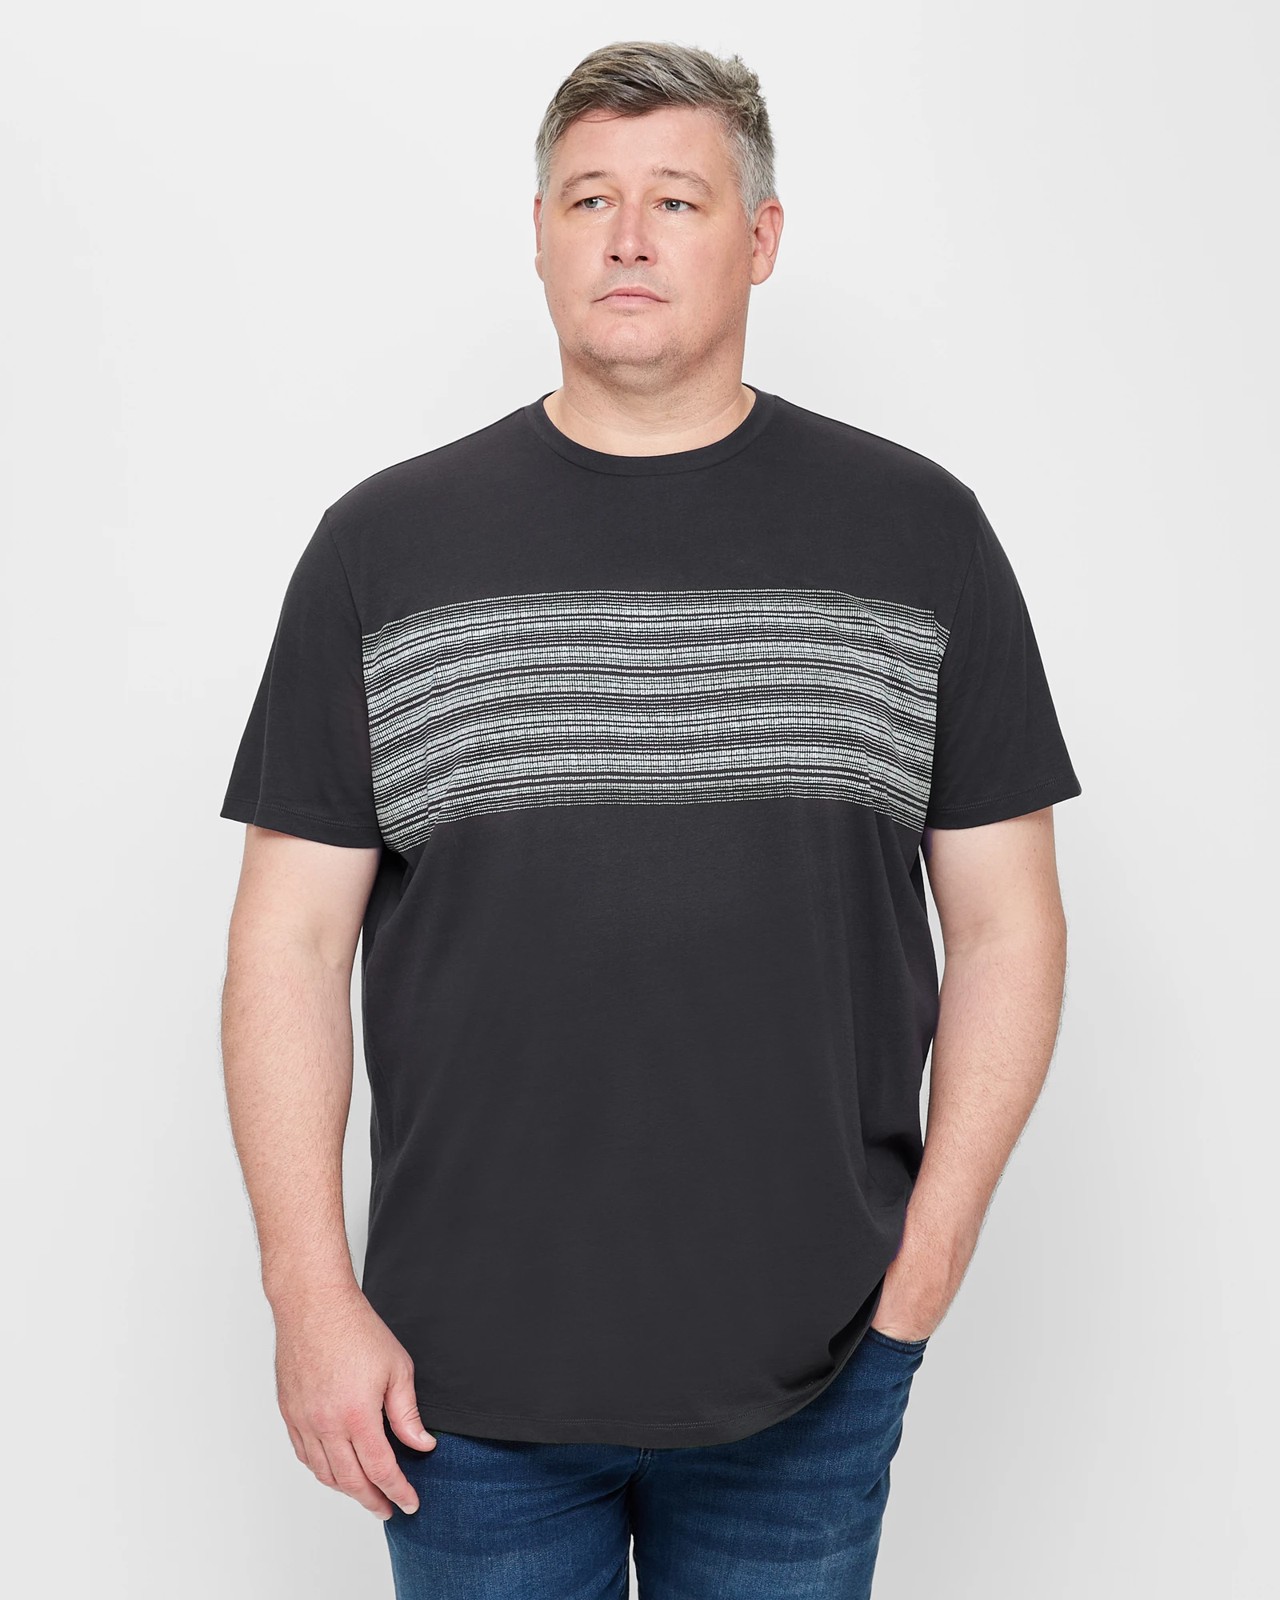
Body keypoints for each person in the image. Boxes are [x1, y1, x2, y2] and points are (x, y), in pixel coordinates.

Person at [218, 38, 1083, 1600]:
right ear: (539, 233)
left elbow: (1009, 919)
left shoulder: (917, 533)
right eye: (588, 199)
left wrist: (930, 1260)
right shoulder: (382, 548)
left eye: (676, 200)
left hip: (814, 1365)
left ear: (759, 238)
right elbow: (286, 946)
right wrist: (307, 1297)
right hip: (455, 1380)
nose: (627, 238)